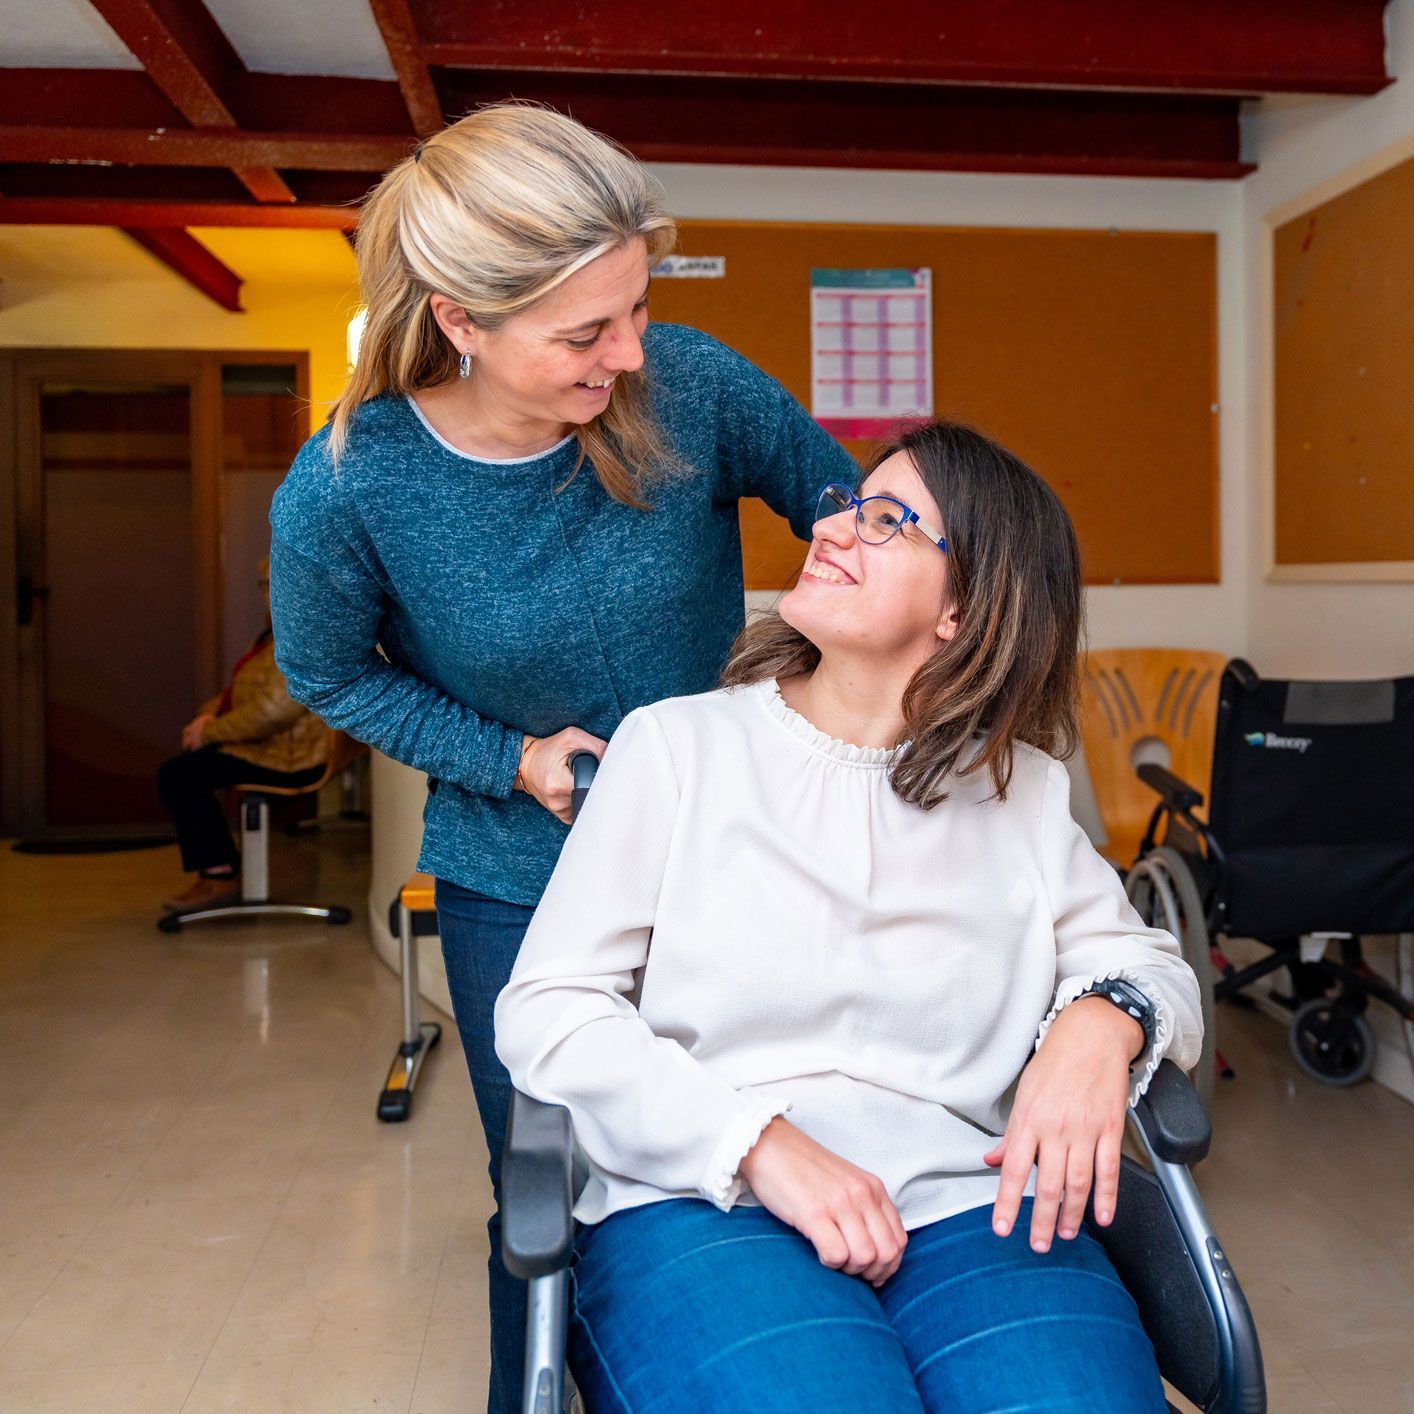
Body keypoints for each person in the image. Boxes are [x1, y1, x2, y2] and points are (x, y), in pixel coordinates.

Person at [266, 102, 856, 1411]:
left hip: (736, 858)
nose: (628, 350)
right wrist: (506, 755)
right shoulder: (349, 486)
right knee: (550, 1191)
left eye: (634, 307)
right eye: (586, 331)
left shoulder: (688, 386)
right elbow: (328, 671)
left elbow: (853, 518)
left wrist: (854, 669)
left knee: (745, 1166)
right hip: (516, 879)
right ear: (460, 320)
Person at [495, 422, 1204, 1413]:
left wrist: (1102, 1019)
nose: (831, 528)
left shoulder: (1020, 794)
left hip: (971, 1205)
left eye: (886, 520)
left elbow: (1146, 960)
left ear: (963, 607)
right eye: (845, 505)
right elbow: (548, 1007)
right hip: (706, 1198)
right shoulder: (677, 749)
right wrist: (758, 1142)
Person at [158, 562, 327, 912]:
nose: (267, 594)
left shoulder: (304, 634)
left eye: (275, 583)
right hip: (268, 747)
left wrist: (210, 732)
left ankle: (218, 875)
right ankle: (219, 870)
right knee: (184, 771)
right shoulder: (272, 636)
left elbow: (275, 711)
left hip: (291, 757)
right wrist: (206, 717)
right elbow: (238, 692)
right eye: (263, 585)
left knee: (181, 775)